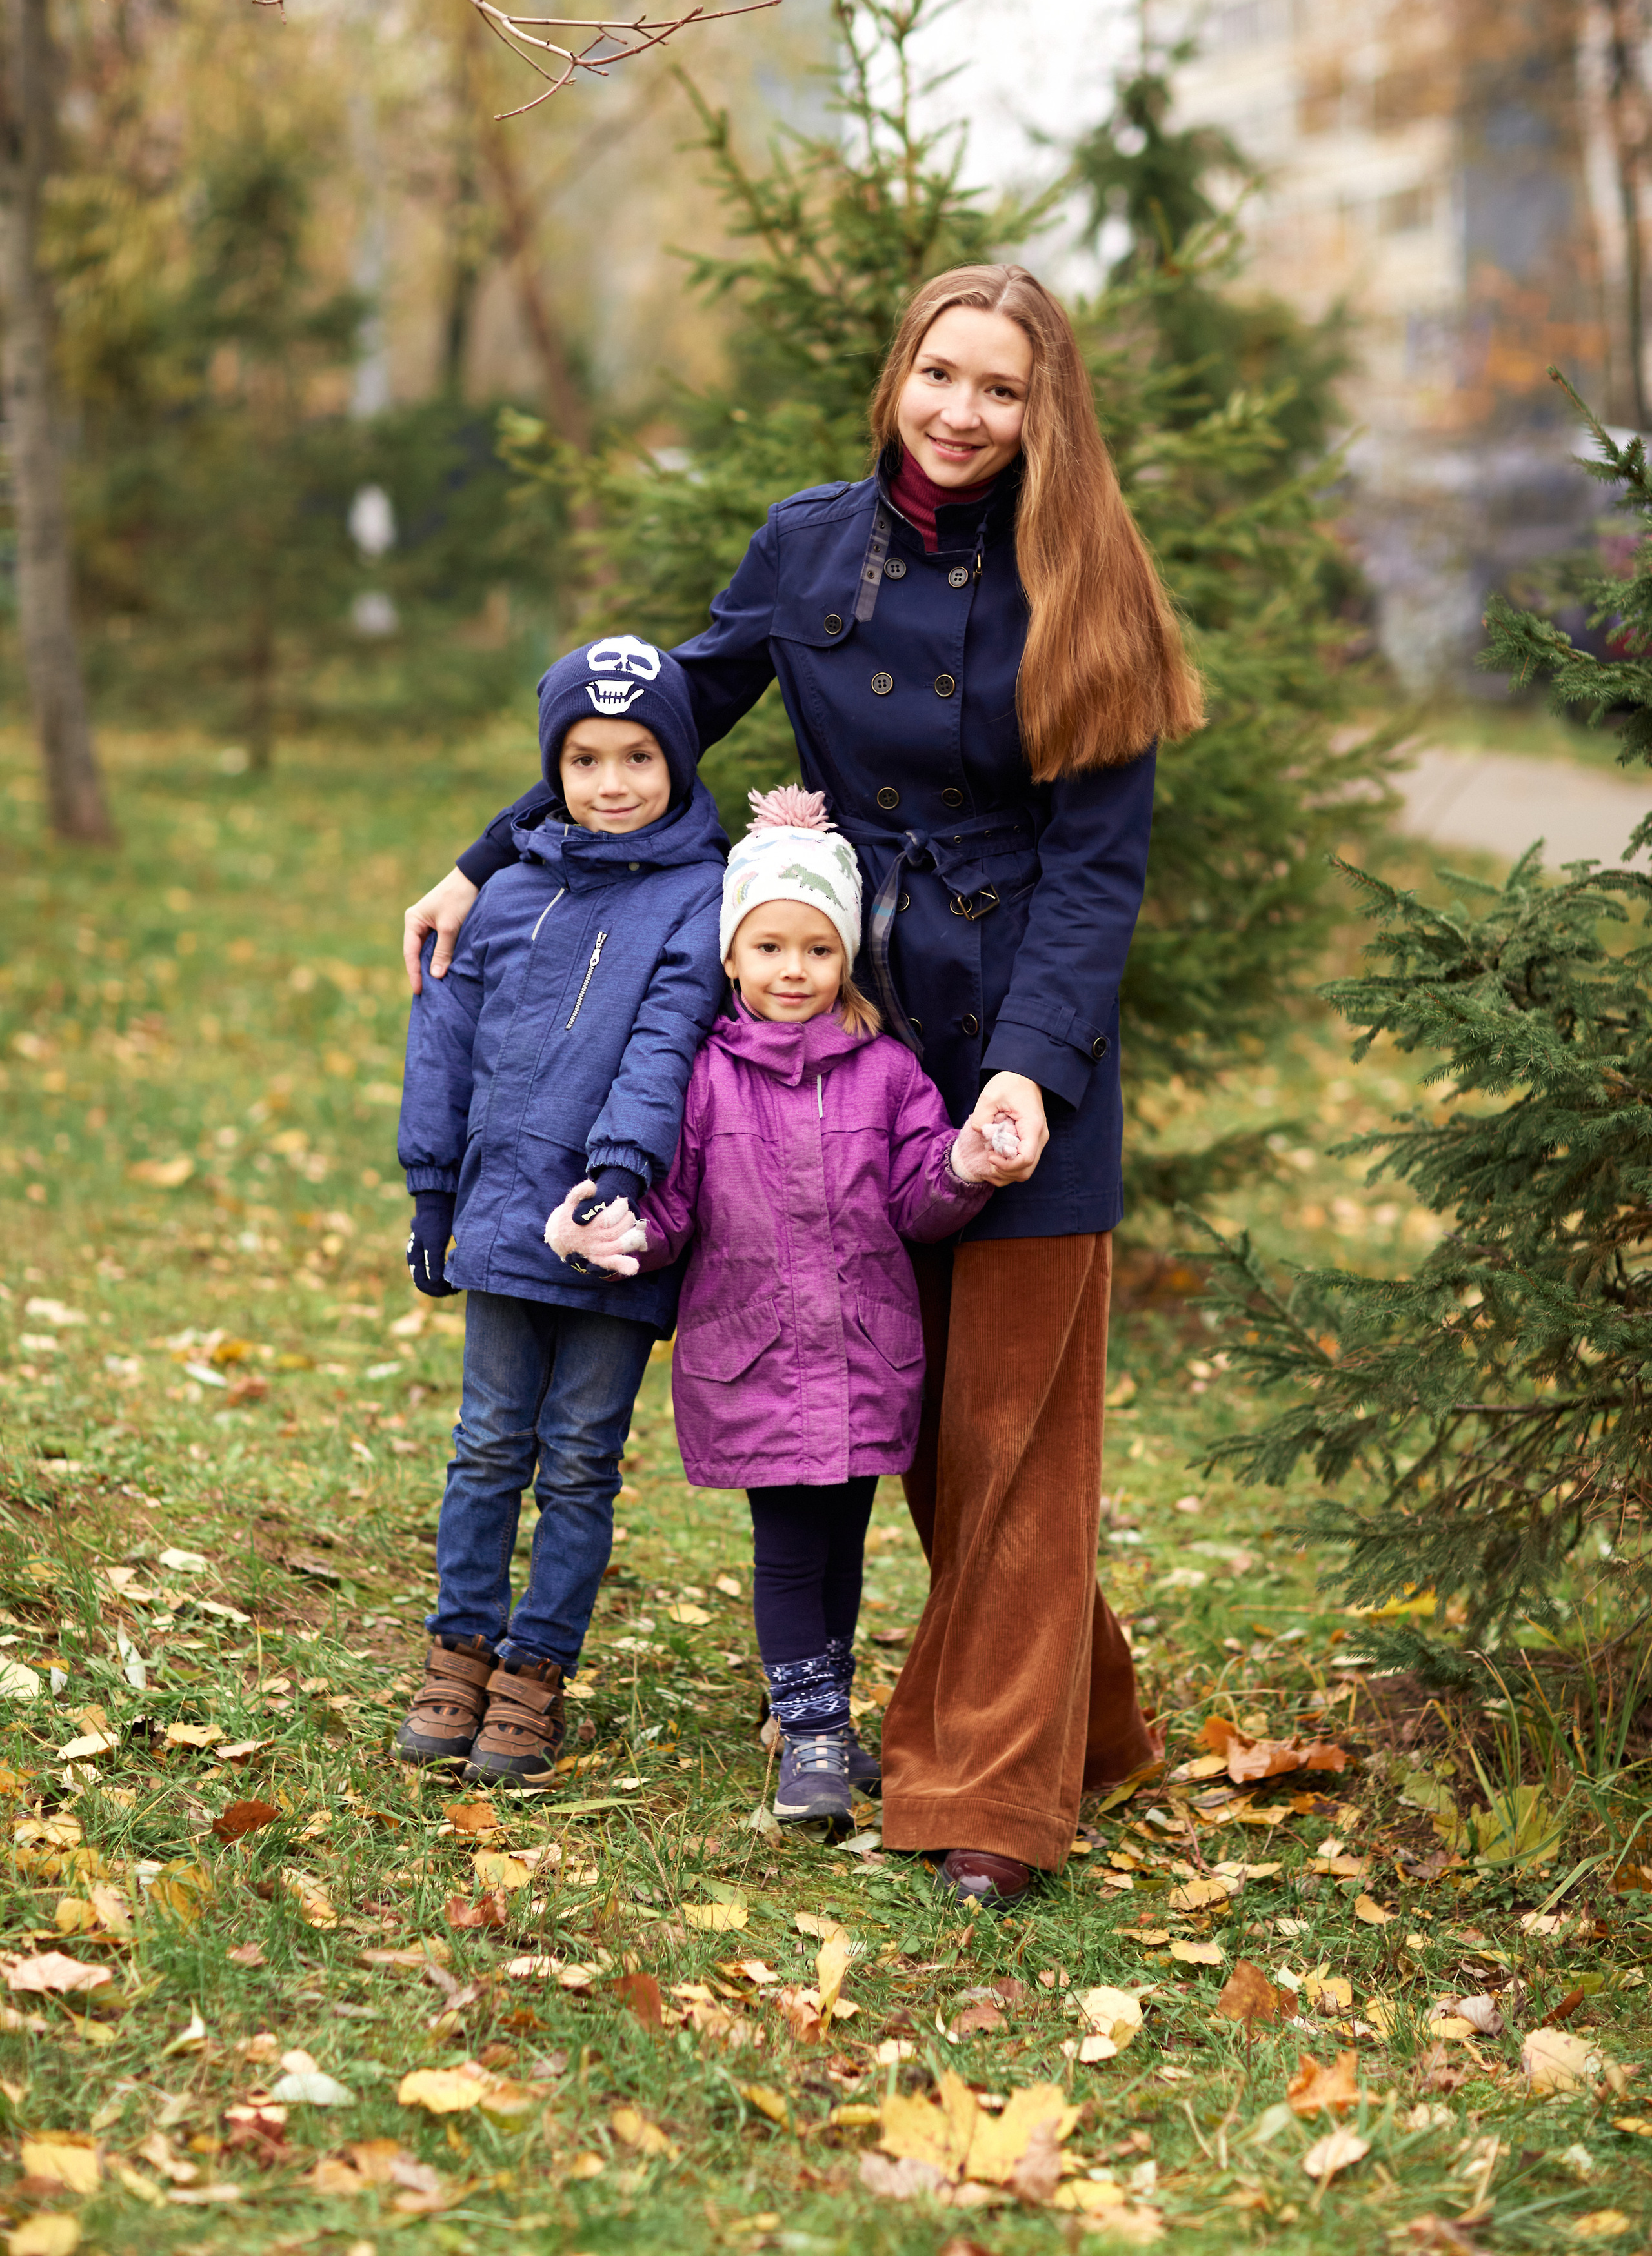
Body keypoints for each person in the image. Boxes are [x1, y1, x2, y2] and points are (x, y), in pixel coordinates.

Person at [401, 262, 1204, 1898]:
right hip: (829, 1033)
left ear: (1044, 411)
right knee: (903, 1430)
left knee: (1002, 1435)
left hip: (1015, 1038)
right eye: (939, 374)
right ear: (896, 374)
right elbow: (660, 718)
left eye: (1000, 389)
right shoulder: (809, 546)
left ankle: (990, 1798)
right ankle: (1087, 1726)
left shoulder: (1092, 588)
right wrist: (489, 859)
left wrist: (1032, 1075)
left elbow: (1096, 870)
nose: (961, 413)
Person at [545, 787, 1009, 1831]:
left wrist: (967, 1167)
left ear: (846, 958)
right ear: (732, 957)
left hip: (864, 1352)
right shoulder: (703, 1079)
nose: (791, 970)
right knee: (793, 1546)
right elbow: (669, 1212)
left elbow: (918, 1200)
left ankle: (816, 1715)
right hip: (756, 1357)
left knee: (843, 1544)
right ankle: (810, 1735)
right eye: (768, 948)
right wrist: (611, 1232)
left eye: (815, 949)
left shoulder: (888, 1074)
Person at [394, 636, 727, 1788]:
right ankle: (459, 1649)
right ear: (554, 768)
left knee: (581, 1457)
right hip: (498, 1214)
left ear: (677, 761)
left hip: (615, 1225)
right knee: (488, 1443)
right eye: (585, 759)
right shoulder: (506, 893)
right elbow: (442, 1042)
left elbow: (666, 1043)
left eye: (640, 756)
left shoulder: (701, 896)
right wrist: (432, 1190)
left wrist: (619, 1178)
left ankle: (536, 1672)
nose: (613, 782)